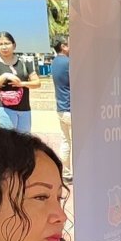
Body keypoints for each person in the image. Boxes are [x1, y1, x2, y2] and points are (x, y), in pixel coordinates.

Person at [0, 31, 41, 133]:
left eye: (7, 43)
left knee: (24, 140)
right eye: (0, 44)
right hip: (4, 109)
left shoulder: (24, 61)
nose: (4, 47)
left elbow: (37, 83)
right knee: (7, 140)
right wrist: (5, 76)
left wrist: (22, 84)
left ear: (14, 45)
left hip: (25, 109)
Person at [52, 36, 73, 181]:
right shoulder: (69, 62)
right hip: (71, 109)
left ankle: (66, 173)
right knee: (79, 142)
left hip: (61, 108)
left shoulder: (54, 62)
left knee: (66, 141)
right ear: (64, 46)